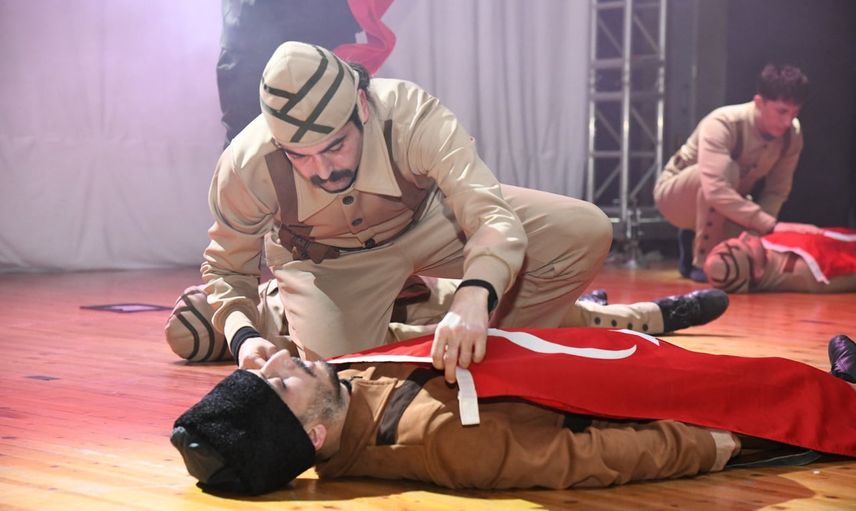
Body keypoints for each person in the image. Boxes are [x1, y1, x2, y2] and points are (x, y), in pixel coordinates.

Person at [202, 40, 620, 383]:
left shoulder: (409, 113)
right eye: (301, 157)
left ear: (362, 106)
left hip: (433, 223)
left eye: (336, 146)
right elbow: (226, 269)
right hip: (327, 266)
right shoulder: (246, 165)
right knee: (348, 385)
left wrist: (475, 294)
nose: (324, 170)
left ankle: (501, 356)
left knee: (583, 231)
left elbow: (488, 215)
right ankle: (300, 320)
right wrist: (243, 338)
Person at [170, 329, 856, 495]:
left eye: (265, 367)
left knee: (742, 374)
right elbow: (580, 459)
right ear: (314, 434)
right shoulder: (440, 443)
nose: (281, 360)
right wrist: (707, 446)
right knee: (771, 397)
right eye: (279, 383)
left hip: (595, 368)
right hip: (643, 413)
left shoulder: (345, 389)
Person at [165, 276, 729, 363]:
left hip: (412, 291)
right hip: (414, 324)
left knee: (518, 299)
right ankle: (654, 316)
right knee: (544, 326)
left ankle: (601, 308)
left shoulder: (269, 290)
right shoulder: (280, 348)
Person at [653, 64, 817, 283]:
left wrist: (757, 234)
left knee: (745, 247)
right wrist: (770, 225)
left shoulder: (792, 135)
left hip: (725, 200)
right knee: (724, 173)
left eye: (795, 112)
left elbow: (777, 191)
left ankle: (692, 236)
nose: (788, 121)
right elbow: (715, 189)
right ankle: (702, 261)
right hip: (675, 198)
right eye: (781, 111)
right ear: (759, 102)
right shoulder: (724, 123)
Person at [704, 228, 856, 293]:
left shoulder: (770, 254)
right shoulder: (807, 270)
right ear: (756, 271)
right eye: (747, 244)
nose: (744, 235)